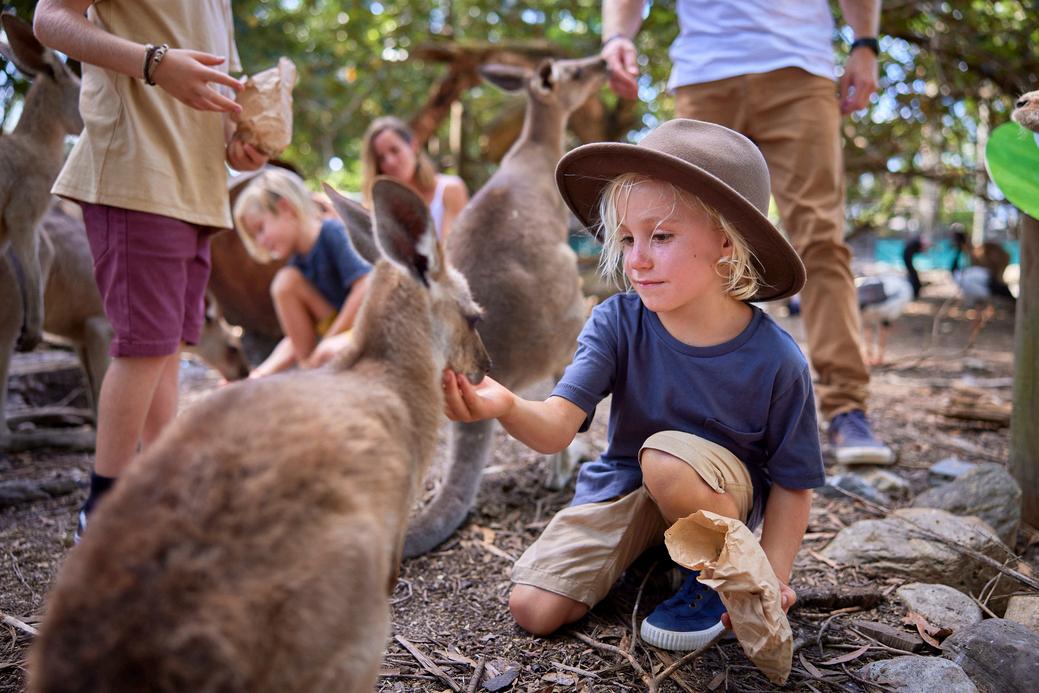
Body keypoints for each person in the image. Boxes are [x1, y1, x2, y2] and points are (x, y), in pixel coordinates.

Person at [443, 119, 824, 650]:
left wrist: (774, 576)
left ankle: (714, 577)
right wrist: (505, 404)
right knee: (534, 609)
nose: (636, 259)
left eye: (660, 236)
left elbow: (793, 483)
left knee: (666, 461)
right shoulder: (616, 322)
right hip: (627, 484)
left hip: (714, 495)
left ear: (725, 241)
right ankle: (654, 553)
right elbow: (557, 427)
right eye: (627, 238)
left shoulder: (777, 359)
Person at [602, 0, 892, 465]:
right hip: (704, 70)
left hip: (799, 66)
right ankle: (689, 409)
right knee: (685, 237)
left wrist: (865, 43)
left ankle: (846, 408)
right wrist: (617, 35)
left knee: (819, 239)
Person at [33, 0, 269, 542]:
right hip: (137, 175)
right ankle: (104, 509)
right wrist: (153, 62)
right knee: (143, 347)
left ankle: (161, 493)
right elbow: (49, 18)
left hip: (198, 193)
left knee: (165, 348)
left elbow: (214, 101)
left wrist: (238, 149)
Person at [233, 168, 371, 376]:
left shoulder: (332, 233)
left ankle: (314, 373)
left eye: (260, 229)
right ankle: (311, 373)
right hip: (336, 335)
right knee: (285, 282)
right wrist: (259, 374)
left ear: (286, 208)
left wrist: (328, 342)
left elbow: (365, 286)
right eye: (255, 236)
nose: (260, 241)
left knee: (286, 282)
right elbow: (294, 338)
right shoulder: (298, 263)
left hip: (366, 326)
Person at [360, 116, 469, 239]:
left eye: (395, 150)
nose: (390, 162)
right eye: (381, 158)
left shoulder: (449, 189)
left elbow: (452, 247)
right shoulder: (380, 210)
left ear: (413, 146)